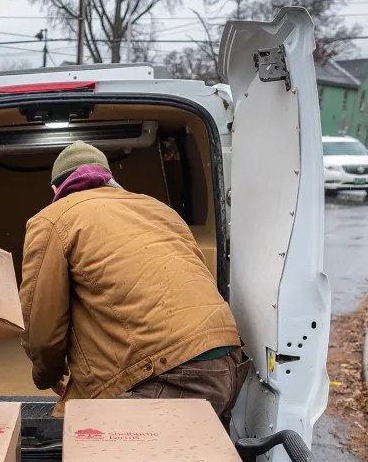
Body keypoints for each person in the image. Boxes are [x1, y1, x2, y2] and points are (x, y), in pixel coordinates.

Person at [19, 141, 246, 415]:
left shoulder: (53, 219)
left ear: (56, 189)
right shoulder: (159, 209)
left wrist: (46, 374)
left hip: (171, 376)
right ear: (109, 180)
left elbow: (42, 319)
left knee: (83, 444)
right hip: (227, 363)